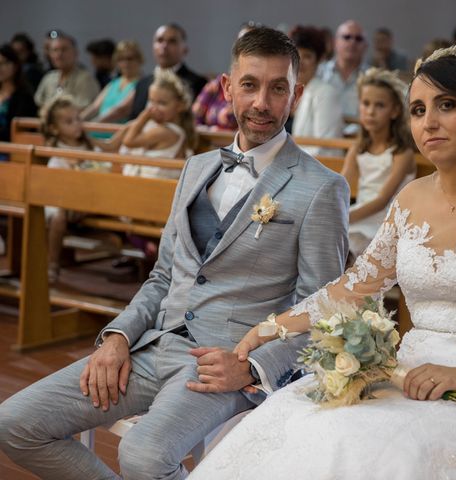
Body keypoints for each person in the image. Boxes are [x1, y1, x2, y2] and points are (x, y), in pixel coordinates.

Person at [190, 45, 456, 480]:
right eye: (417, 110)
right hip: (407, 375)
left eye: (447, 105)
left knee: (380, 452)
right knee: (290, 416)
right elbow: (355, 287)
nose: (429, 121)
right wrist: (271, 327)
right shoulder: (411, 199)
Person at [0, 26, 350, 480]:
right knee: (13, 424)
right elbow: (164, 276)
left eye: (277, 87)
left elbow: (321, 312)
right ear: (227, 88)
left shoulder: (321, 187)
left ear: (295, 94)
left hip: (224, 365)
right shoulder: (197, 168)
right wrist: (118, 336)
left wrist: (250, 367)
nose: (262, 102)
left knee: (144, 458)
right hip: (152, 346)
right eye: (249, 84)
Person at [39, 95, 119, 283]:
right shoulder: (55, 150)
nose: (76, 124)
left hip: (86, 199)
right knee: (58, 215)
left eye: (78, 119)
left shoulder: (89, 146)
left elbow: (103, 167)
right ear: (54, 128)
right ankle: (53, 263)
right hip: (58, 199)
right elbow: (54, 183)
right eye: (69, 122)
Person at [341, 68, 415, 258]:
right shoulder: (358, 147)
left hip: (386, 218)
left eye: (380, 105)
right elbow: (341, 186)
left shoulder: (401, 152)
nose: (371, 111)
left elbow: (383, 200)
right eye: (366, 104)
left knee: (351, 238)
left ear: (395, 111)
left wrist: (345, 217)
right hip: (361, 213)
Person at [120, 69, 196, 179]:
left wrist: (143, 117)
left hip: (152, 189)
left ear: (180, 106)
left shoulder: (166, 132)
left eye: (162, 103)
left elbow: (128, 141)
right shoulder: (169, 129)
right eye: (151, 101)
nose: (153, 108)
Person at [130, 23, 207, 119]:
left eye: (172, 41)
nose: (164, 46)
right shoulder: (142, 84)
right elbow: (133, 118)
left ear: (185, 49)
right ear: (153, 47)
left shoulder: (198, 83)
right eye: (159, 40)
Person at [290, 25, 344, 156]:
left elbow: (327, 150)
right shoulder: (287, 91)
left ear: (319, 60)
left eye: (307, 56)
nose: (301, 61)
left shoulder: (326, 93)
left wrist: (285, 155)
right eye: (296, 55)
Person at [81, 40, 143, 130]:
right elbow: (94, 107)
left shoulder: (142, 84)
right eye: (121, 59)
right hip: (97, 129)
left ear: (139, 60)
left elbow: (121, 110)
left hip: (117, 134)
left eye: (130, 58)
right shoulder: (113, 83)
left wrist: (92, 125)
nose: (126, 63)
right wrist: (78, 119)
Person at [317, 20, 369, 119]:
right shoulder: (318, 73)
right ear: (335, 42)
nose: (352, 42)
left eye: (358, 39)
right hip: (319, 133)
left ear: (365, 46)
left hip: (359, 133)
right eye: (347, 37)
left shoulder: (372, 77)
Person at [34, 32, 100, 109]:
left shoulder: (85, 79)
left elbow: (82, 109)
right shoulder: (48, 78)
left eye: (64, 49)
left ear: (76, 53)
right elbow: (38, 102)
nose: (59, 54)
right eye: (55, 50)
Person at [0, 44, 37, 144]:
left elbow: (16, 132)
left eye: (5, 63)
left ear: (16, 66)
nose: (1, 68)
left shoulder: (24, 97)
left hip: (10, 148)